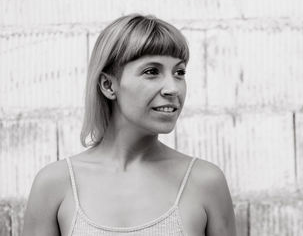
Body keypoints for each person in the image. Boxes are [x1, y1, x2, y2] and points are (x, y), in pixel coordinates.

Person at [22, 14, 237, 236]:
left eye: (179, 72)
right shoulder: (54, 184)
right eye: (152, 72)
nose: (173, 89)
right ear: (108, 85)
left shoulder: (206, 182)